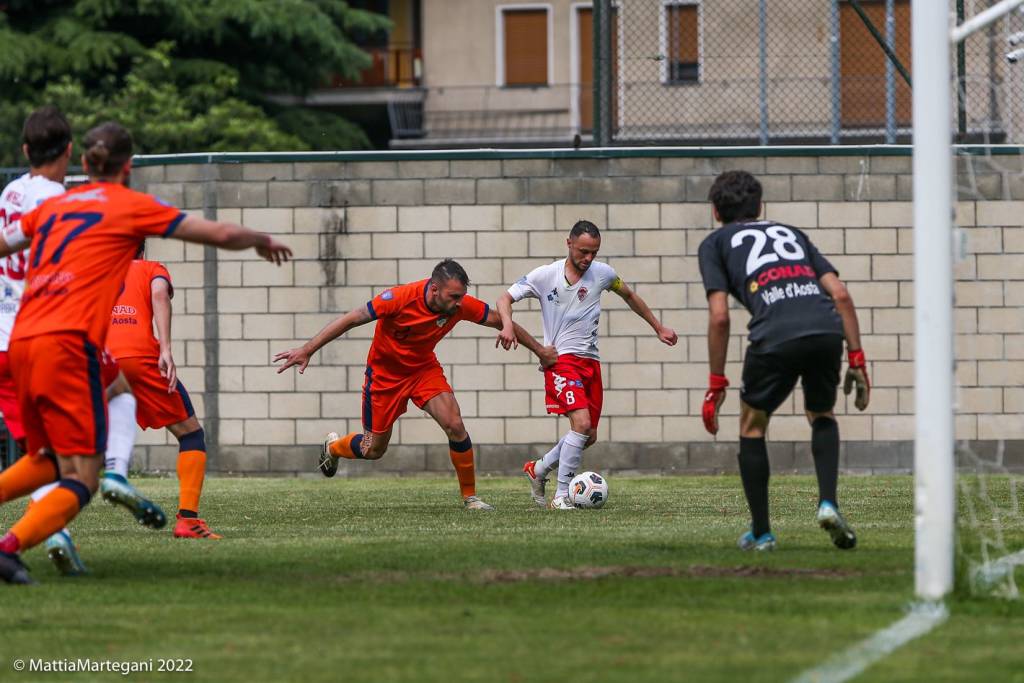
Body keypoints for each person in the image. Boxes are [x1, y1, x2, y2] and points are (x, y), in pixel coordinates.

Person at [0, 120, 291, 584]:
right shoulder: (130, 207)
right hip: (67, 345)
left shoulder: (57, 205)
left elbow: (5, 245)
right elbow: (213, 232)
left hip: (19, 344)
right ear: (129, 166)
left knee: (50, 459)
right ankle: (10, 548)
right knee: (82, 478)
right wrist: (260, 239)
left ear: (83, 163)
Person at [0, 107, 160, 577]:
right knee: (119, 393)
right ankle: (113, 470)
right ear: (70, 151)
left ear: (26, 150)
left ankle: (47, 534)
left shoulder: (9, 193)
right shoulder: (61, 201)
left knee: (44, 457)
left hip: (6, 341)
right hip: (50, 332)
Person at [275, 258, 556, 510]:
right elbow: (351, 319)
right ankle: (334, 448)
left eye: (462, 296)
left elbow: (499, 320)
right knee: (373, 450)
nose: (459, 302)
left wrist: (539, 350)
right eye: (454, 296)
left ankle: (471, 498)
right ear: (434, 289)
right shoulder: (398, 298)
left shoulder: (459, 305)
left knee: (455, 424)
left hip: (423, 370)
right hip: (384, 377)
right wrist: (308, 349)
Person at [697, 170, 870, 552]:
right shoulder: (791, 233)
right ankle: (828, 503)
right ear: (760, 207)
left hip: (774, 333)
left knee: (752, 425)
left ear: (715, 212)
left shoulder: (715, 243)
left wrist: (716, 382)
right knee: (821, 413)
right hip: (826, 329)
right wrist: (857, 358)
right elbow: (840, 294)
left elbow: (720, 316)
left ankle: (762, 533)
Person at [497, 220, 678, 509]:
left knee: (588, 435)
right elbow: (505, 297)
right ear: (568, 243)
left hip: (591, 363)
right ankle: (560, 496)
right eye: (583, 251)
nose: (588, 258)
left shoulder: (604, 274)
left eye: (594, 252)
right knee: (580, 424)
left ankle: (539, 469)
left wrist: (658, 327)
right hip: (561, 360)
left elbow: (629, 295)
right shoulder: (545, 276)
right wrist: (507, 324)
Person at [106, 245, 218, 539]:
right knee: (191, 434)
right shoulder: (151, 268)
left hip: (101, 360)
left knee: (67, 442)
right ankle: (188, 520)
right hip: (141, 359)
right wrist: (166, 349)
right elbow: (158, 293)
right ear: (142, 248)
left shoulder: (96, 269)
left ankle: (45, 519)